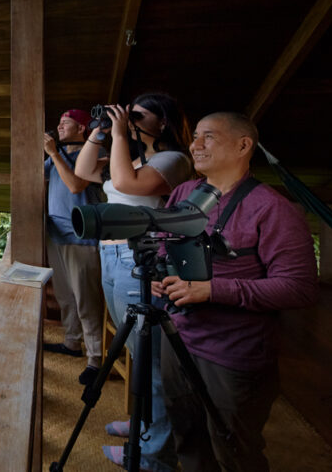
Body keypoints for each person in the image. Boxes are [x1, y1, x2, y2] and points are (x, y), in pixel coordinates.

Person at [154, 112, 319, 472]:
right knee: (188, 436)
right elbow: (167, 244)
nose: (194, 146)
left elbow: (299, 288)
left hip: (233, 352)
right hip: (177, 338)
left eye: (207, 137)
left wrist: (213, 290)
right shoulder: (183, 192)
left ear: (244, 145)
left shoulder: (273, 209)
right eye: (195, 137)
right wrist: (163, 274)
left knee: (234, 448)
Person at [73, 92, 194, 472]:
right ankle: (145, 424)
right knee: (134, 346)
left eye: (139, 115)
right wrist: (99, 133)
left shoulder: (172, 160)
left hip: (139, 259)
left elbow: (126, 182)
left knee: (153, 359)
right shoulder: (135, 156)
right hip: (112, 255)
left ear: (163, 123)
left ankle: (154, 454)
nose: (130, 119)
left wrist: (122, 134)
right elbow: (83, 172)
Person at [43, 109, 105, 386]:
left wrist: (54, 153)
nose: (59, 126)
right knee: (66, 295)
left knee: (86, 299)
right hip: (56, 234)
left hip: (83, 237)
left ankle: (96, 359)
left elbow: (75, 184)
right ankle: (71, 342)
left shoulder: (93, 155)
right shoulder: (56, 156)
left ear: (82, 127)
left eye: (64, 123)